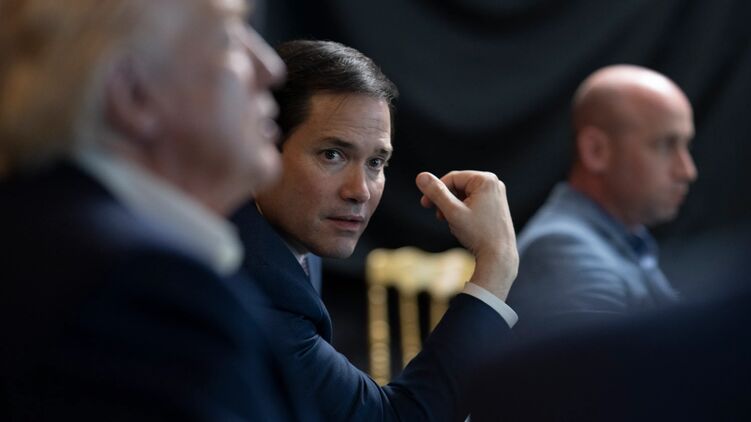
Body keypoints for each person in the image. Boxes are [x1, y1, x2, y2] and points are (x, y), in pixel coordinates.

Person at [0, 0, 303, 419]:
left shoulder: (34, 236)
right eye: (228, 39)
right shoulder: (145, 300)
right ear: (134, 93)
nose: (271, 67)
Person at [231, 40, 520, 421]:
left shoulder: (291, 236)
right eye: (332, 155)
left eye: (376, 162)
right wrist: (497, 262)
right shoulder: (257, 286)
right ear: (261, 148)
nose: (360, 191)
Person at [506, 64, 698, 337]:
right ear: (595, 151)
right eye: (666, 145)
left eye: (686, 145)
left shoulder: (621, 238)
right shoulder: (564, 252)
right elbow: (609, 365)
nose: (687, 171)